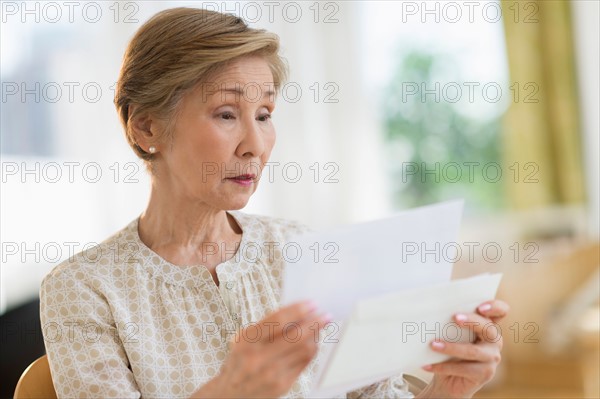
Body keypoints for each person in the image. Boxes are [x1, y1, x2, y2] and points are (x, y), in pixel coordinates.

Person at [40, 7, 509, 399]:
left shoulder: (303, 249)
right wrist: (230, 390)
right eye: (227, 114)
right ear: (146, 129)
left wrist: (447, 388)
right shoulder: (84, 289)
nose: (255, 144)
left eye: (264, 114)